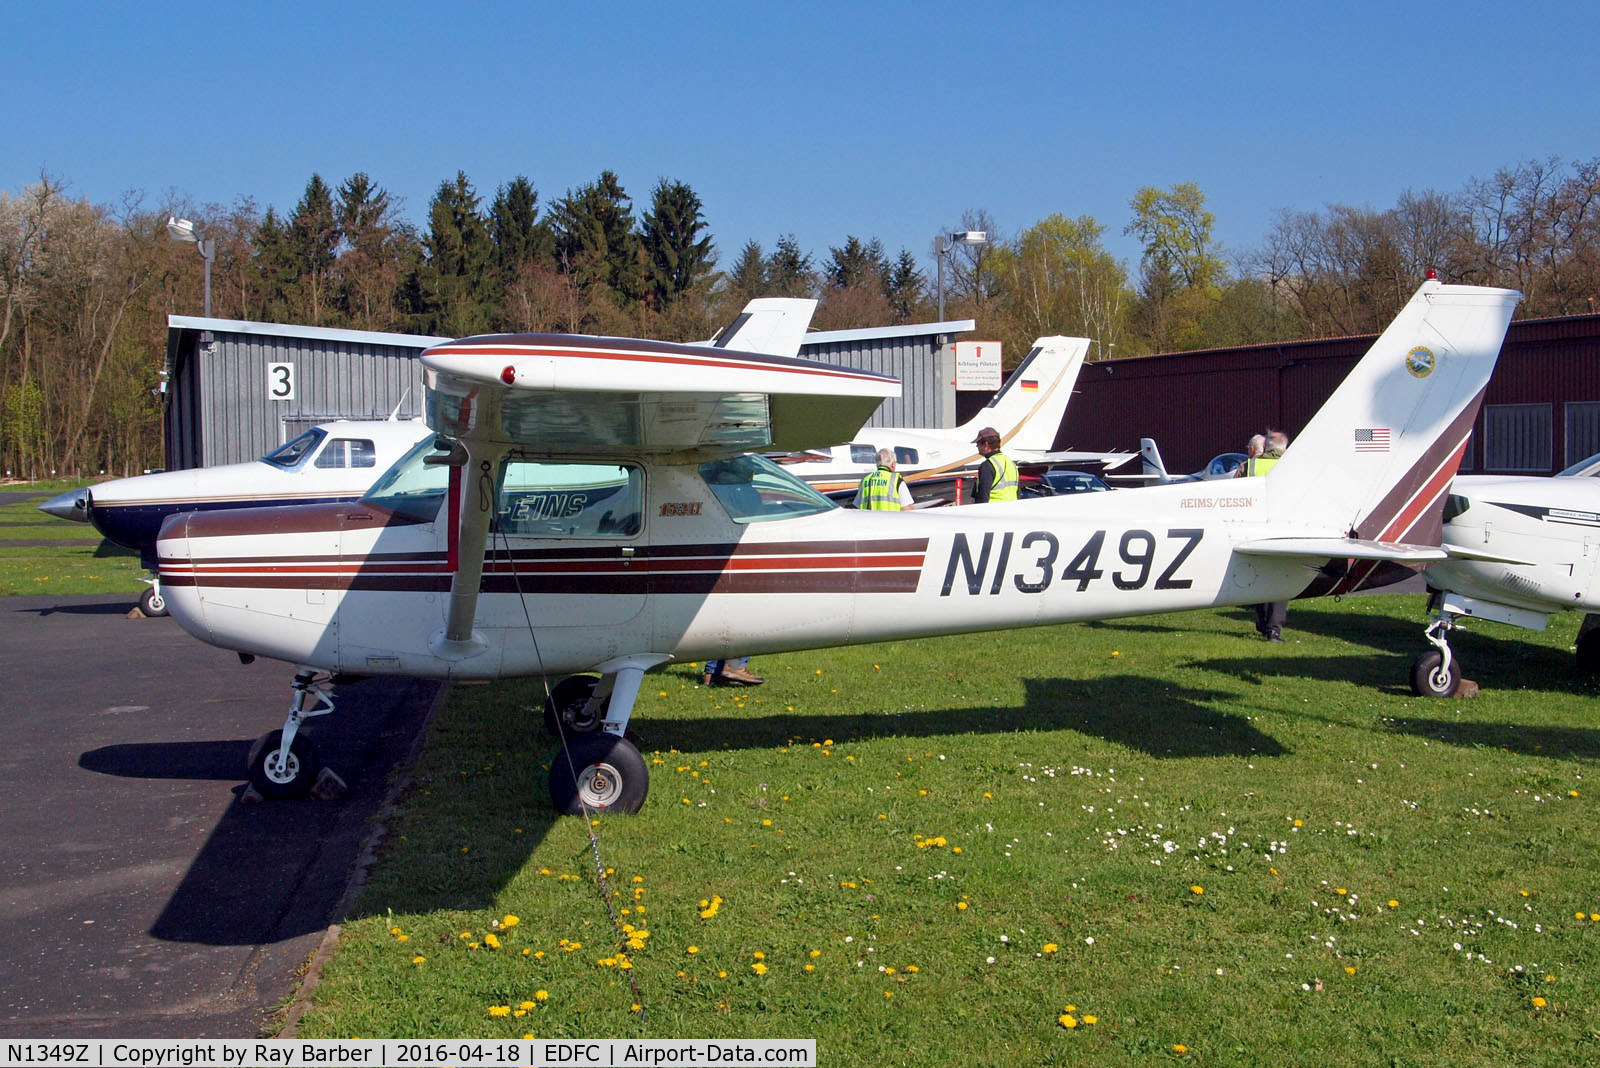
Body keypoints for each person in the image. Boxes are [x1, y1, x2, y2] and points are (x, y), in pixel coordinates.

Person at [1238, 428, 1290, 640]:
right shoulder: (1293, 466)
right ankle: (1273, 629)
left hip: (1253, 531)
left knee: (1258, 578)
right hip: (1284, 531)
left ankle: (1261, 622)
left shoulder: (1249, 465)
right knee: (1281, 581)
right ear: (1284, 448)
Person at [971, 426, 1018, 503]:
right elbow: (1017, 492)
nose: (977, 446)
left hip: (993, 511)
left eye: (978, 443)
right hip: (1011, 511)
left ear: (986, 444)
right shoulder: (1011, 463)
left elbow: (983, 496)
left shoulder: (987, 465)